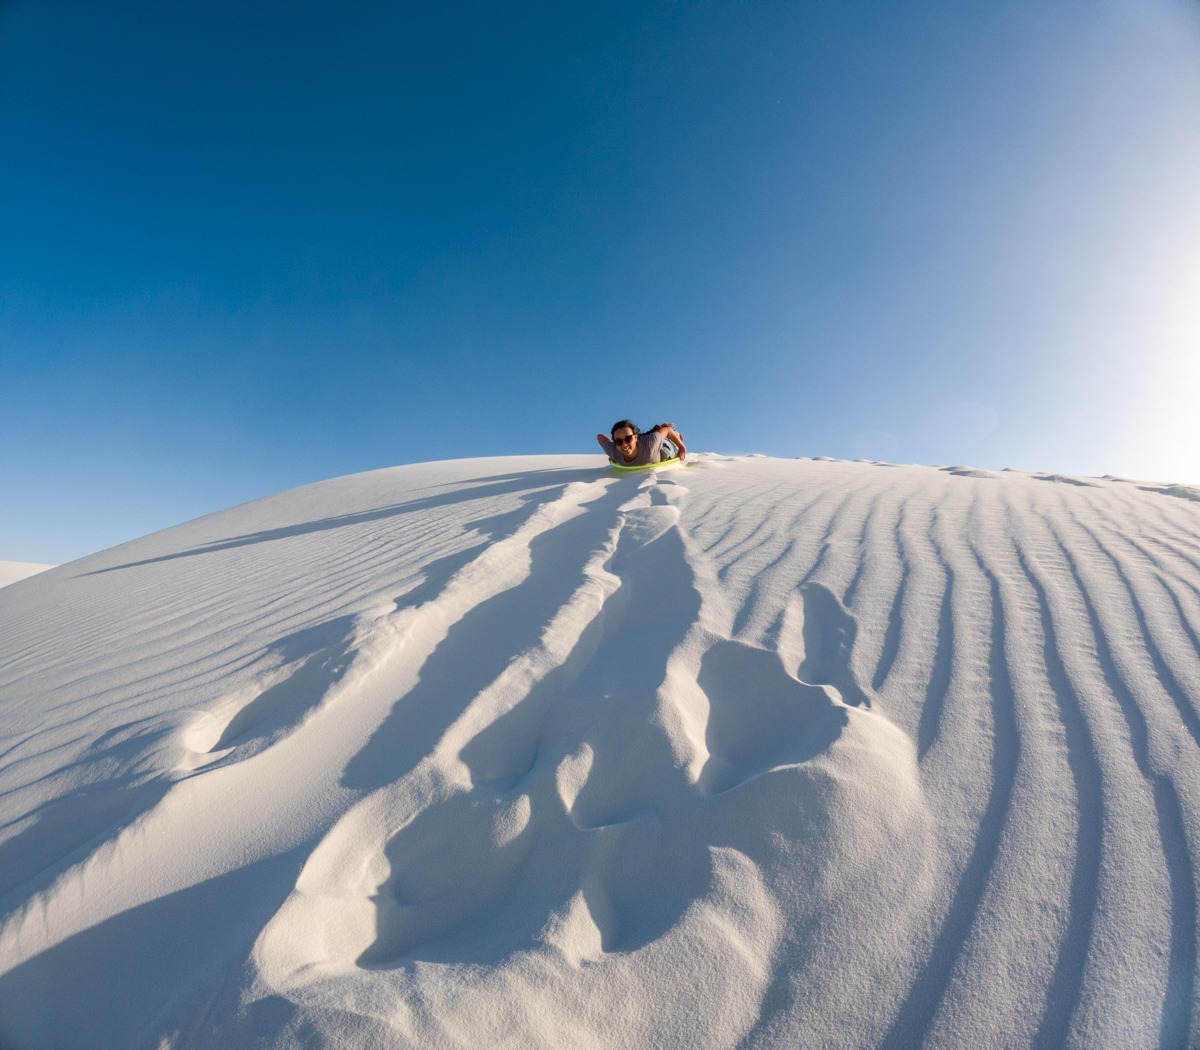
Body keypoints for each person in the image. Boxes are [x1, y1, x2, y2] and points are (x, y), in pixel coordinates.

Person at [596, 419, 687, 466]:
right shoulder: (614, 451)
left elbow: (667, 430)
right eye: (619, 441)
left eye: (628, 439)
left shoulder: (650, 444)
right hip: (645, 439)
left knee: (669, 443)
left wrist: (682, 447)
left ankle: (676, 435)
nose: (624, 445)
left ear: (635, 437)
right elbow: (600, 436)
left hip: (664, 450)